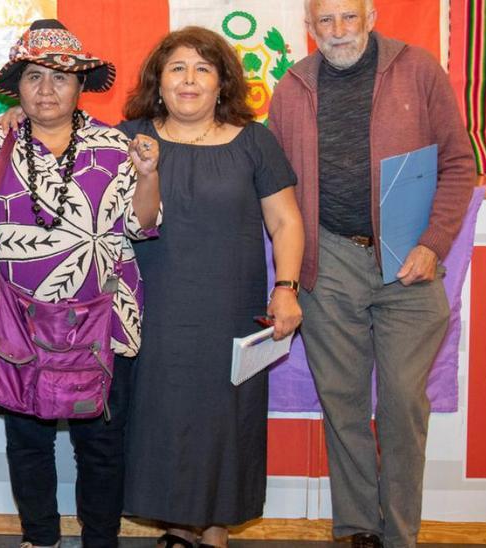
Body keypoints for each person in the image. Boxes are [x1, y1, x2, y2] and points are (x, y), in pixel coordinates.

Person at [0, 19, 160, 548]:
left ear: (80, 84)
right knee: (28, 441)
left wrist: (149, 176)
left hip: (104, 321)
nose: (46, 89)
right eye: (34, 77)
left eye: (61, 78)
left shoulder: (116, 148)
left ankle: (100, 540)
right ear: (16, 86)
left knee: (101, 444)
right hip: (13, 323)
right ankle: (39, 537)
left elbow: (145, 225)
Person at [269, 1, 476, 546]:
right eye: (325, 21)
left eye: (348, 18)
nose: (338, 32)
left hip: (409, 261)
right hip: (330, 259)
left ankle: (401, 534)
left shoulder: (420, 68)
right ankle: (357, 529)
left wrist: (433, 244)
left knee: (405, 403)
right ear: (309, 28)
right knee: (343, 404)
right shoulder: (290, 89)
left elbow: (458, 164)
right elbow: (273, 185)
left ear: (372, 16)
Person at [116, 26, 305, 548]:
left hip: (231, 308)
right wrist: (15, 117)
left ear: (222, 83)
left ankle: (217, 527)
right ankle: (177, 527)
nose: (189, 79)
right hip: (153, 305)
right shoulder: (130, 135)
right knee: (165, 411)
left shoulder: (254, 141)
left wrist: (285, 288)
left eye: (203, 68)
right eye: (177, 68)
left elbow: (286, 222)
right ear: (159, 81)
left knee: (226, 418)